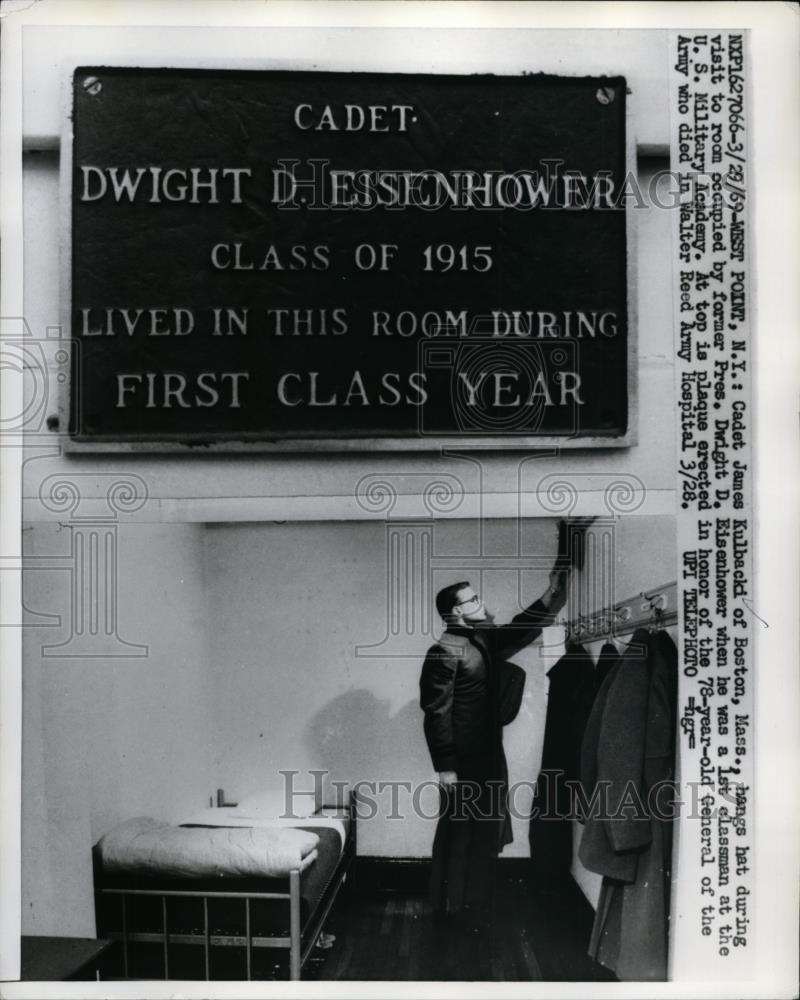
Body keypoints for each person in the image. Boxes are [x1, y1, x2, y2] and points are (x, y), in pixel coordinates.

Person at [419, 554, 572, 925]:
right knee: (460, 830)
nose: (481, 603)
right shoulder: (443, 652)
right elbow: (436, 712)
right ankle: (450, 908)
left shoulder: (482, 640)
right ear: (454, 612)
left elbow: (520, 628)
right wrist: (446, 768)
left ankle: (471, 905)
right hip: (462, 763)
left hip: (487, 756)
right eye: (472, 600)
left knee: (485, 829)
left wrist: (552, 593)